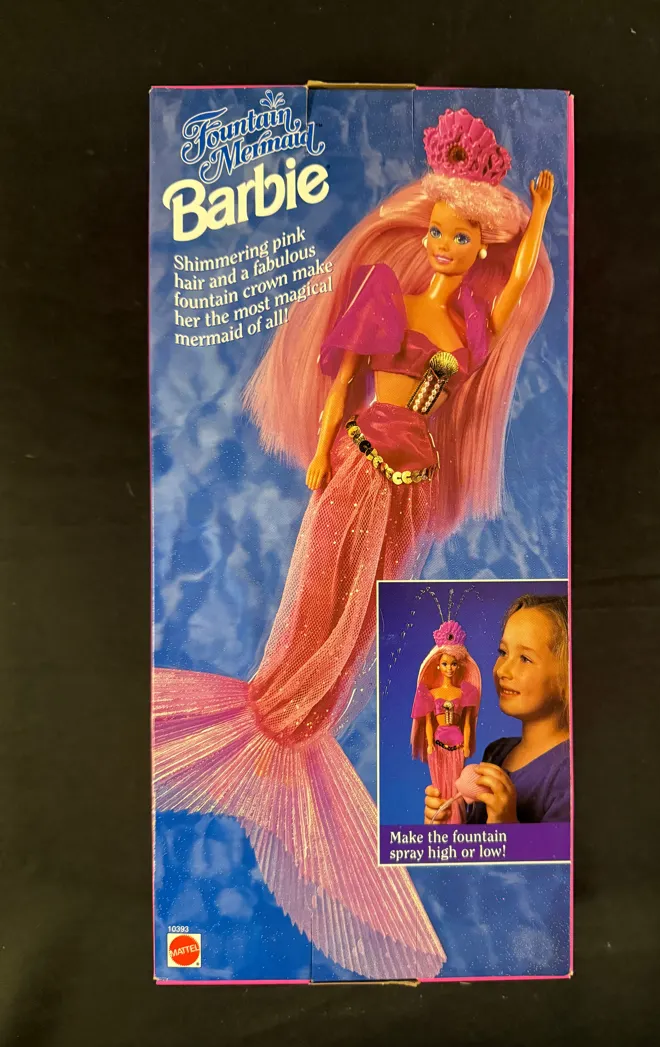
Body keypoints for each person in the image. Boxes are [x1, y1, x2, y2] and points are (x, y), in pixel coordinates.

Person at [154, 107, 555, 980]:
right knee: (321, 589)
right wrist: (321, 450)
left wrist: (536, 220)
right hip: (363, 457)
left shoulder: (470, 323)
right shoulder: (389, 297)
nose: (446, 248)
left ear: (478, 247)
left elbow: (519, 281)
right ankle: (280, 714)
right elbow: (343, 378)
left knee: (365, 611)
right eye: (438, 232)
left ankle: (305, 717)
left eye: (463, 239)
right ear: (422, 231)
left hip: (408, 483)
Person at [424, 594, 569, 826]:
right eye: (503, 652)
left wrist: (507, 826)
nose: (503, 670)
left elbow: (564, 849)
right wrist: (447, 825)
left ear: (569, 675)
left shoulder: (571, 773)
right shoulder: (496, 753)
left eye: (525, 658)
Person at [410, 620, 481, 825]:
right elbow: (428, 722)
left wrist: (466, 744)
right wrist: (429, 744)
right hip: (438, 745)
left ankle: (457, 821)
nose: (449, 668)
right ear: (438, 666)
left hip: (457, 744)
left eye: (453, 664)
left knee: (456, 787)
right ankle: (442, 825)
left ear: (458, 666)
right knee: (440, 788)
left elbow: (467, 723)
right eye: (445, 664)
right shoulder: (431, 693)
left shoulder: (465, 692)